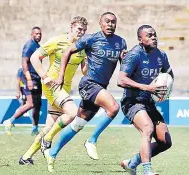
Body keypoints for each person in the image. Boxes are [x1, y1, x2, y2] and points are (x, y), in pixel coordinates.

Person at [42, 12, 127, 173]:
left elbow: (123, 68)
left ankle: (51, 153)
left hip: (100, 87)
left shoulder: (121, 42)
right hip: (89, 84)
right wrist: (60, 76)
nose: (110, 24)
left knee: (77, 124)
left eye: (113, 22)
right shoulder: (91, 39)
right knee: (114, 107)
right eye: (107, 21)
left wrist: (126, 59)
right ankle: (91, 140)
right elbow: (67, 51)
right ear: (101, 23)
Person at [19, 16, 88, 165]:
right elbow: (34, 57)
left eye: (84, 30)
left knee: (49, 126)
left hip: (65, 88)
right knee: (72, 112)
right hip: (52, 85)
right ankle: (48, 139)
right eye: (79, 29)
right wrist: (44, 76)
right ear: (72, 28)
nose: (81, 32)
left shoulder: (82, 47)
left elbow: (84, 71)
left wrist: (89, 60)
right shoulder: (58, 40)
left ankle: (26, 157)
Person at [118, 25, 173, 175]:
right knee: (147, 128)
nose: (154, 37)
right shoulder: (134, 54)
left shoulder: (161, 55)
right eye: (149, 35)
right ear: (140, 39)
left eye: (155, 34)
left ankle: (131, 163)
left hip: (149, 103)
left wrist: (165, 91)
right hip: (132, 102)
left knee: (165, 142)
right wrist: (147, 88)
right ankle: (147, 171)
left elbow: (169, 76)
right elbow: (121, 80)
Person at [3, 27, 42, 136]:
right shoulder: (29, 45)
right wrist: (29, 79)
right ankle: (10, 121)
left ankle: (35, 128)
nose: (38, 36)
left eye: (40, 34)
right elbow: (24, 63)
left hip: (37, 78)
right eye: (36, 34)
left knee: (38, 104)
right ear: (32, 34)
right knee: (30, 104)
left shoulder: (38, 47)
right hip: (30, 78)